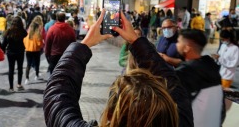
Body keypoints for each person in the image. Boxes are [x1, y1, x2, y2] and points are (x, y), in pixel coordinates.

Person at [43, 10, 193, 127]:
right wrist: (136, 41)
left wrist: (84, 44)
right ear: (170, 112)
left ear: (110, 114)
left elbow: (57, 97)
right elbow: (174, 84)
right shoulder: (179, 121)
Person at [175, 29, 223, 127]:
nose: (176, 44)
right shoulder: (212, 67)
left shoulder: (184, 72)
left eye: (179, 41)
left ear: (187, 48)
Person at [2, 17, 27, 92]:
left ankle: (11, 87)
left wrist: (2, 50)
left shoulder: (8, 31)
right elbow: (26, 36)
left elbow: (4, 44)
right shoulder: (22, 31)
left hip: (10, 52)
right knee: (20, 68)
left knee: (11, 69)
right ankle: (19, 84)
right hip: (20, 51)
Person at [24, 17, 44, 84]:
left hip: (28, 51)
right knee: (37, 63)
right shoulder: (38, 35)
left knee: (28, 65)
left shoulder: (28, 35)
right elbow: (40, 44)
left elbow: (24, 42)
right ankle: (36, 75)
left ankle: (27, 78)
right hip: (36, 51)